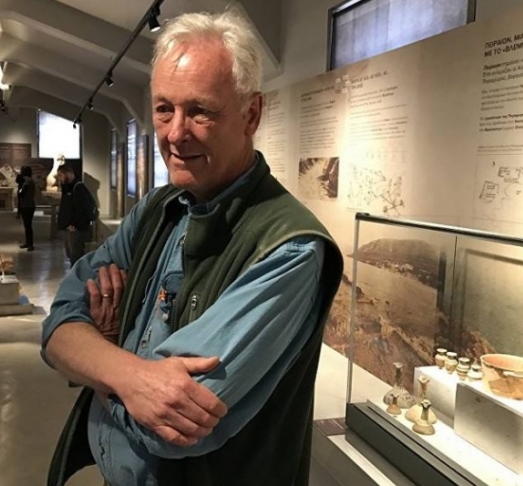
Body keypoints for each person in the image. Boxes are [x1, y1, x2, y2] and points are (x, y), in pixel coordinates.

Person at [42, 10, 343, 486]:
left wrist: (98, 358)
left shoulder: (289, 249)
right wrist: (129, 375)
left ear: (251, 115)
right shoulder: (160, 208)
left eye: (201, 111)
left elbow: (171, 427)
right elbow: (58, 324)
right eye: (164, 108)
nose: (175, 133)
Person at [55, 164, 95, 266]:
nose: (59, 178)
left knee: (76, 256)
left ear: (69, 174)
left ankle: (77, 275)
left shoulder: (78, 188)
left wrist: (74, 225)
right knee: (71, 254)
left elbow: (83, 208)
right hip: (70, 228)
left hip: (76, 229)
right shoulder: (68, 188)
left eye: (61, 175)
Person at [18, 165, 36, 251]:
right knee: (27, 225)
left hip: (27, 205)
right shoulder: (29, 180)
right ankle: (28, 242)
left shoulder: (27, 180)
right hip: (28, 204)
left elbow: (23, 191)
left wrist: (20, 190)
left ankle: (30, 244)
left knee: (28, 226)